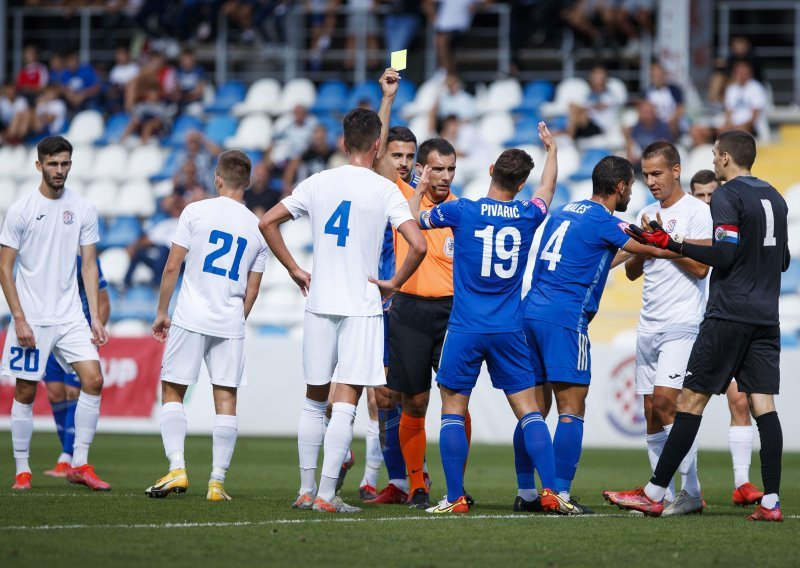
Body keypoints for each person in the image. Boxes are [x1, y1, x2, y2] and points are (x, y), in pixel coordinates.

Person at [604, 130, 790, 522]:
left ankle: (659, 492)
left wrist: (672, 244)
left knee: (687, 403)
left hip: (728, 314)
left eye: (715, 154)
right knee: (764, 409)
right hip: (764, 315)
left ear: (724, 158)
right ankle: (771, 502)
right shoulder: (774, 196)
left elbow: (720, 255)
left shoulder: (725, 195)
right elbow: (784, 259)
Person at [258, 107, 426, 513]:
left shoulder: (317, 182)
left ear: (342, 143)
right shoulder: (384, 190)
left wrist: (296, 269)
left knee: (314, 400)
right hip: (361, 304)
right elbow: (418, 245)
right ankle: (327, 496)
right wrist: (395, 282)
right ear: (378, 147)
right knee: (347, 400)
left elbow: (266, 222)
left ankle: (304, 489)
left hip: (319, 301)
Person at [403, 126, 572, 515]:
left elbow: (412, 217)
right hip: (509, 328)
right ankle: (551, 492)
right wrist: (553, 151)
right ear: (521, 182)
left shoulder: (463, 210)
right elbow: (547, 190)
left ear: (492, 168)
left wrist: (421, 185)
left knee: (451, 410)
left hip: (464, 327)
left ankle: (455, 497)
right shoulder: (529, 214)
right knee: (530, 410)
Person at [518, 155, 679, 514]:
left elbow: (599, 255)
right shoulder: (606, 221)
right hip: (565, 319)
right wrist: (682, 245)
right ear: (620, 187)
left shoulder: (564, 210)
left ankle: (526, 491)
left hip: (529, 312)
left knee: (533, 410)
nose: (631, 194)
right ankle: (558, 493)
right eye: (631, 188)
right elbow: (652, 246)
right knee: (572, 409)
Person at [146, 150, 268, 502]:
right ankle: (217, 482)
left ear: (217, 179)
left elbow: (172, 267)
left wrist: (160, 311)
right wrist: (234, 318)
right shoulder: (257, 228)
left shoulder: (195, 212)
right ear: (248, 183)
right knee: (226, 398)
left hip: (190, 316)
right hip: (229, 320)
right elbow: (254, 288)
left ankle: (177, 468)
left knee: (173, 391)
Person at [0, 136, 110, 491]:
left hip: (70, 317)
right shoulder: (20, 209)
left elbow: (90, 265)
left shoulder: (83, 208)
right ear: (39, 166)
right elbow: (5, 267)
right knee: (27, 392)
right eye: (52, 164)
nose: (59, 170)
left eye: (64, 163)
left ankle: (79, 463)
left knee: (93, 380)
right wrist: (18, 317)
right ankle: (22, 470)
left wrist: (94, 316)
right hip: (31, 317)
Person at [375, 70, 461, 509]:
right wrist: (387, 99)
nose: (444, 176)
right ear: (422, 168)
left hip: (452, 314)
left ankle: (456, 486)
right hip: (408, 311)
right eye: (437, 169)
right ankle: (416, 483)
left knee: (454, 400)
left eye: (450, 169)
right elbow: (376, 157)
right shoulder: (399, 197)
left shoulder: (464, 211)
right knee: (414, 400)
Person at [624, 141, 712, 515]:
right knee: (650, 411)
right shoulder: (646, 211)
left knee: (667, 404)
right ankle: (662, 495)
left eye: (657, 173)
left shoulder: (697, 211)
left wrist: (664, 242)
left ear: (676, 170)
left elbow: (701, 267)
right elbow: (631, 271)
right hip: (648, 324)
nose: (651, 181)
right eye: (645, 175)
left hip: (683, 322)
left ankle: (690, 492)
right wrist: (644, 245)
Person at [688, 169, 765, 507]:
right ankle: (690, 487)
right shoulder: (687, 225)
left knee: (739, 400)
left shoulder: (730, 227)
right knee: (678, 408)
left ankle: (741, 482)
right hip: (689, 326)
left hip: (725, 322)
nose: (706, 201)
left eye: (710, 194)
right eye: (699, 195)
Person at [367, 73, 422, 506]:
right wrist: (388, 99)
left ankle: (412, 480)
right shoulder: (379, 187)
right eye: (396, 154)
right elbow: (375, 145)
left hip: (413, 302)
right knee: (382, 394)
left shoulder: (420, 191)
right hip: (378, 300)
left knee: (410, 397)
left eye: (409, 156)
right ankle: (398, 481)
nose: (402, 162)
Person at [43, 256, 111, 477]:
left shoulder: (85, 258)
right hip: (50, 330)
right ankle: (68, 455)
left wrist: (96, 329)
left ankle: (68, 457)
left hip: (78, 334)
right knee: (54, 393)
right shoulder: (45, 255)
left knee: (74, 391)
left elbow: (103, 300)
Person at [566, 65, 623, 140]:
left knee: (577, 110)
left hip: (600, 128)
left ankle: (569, 136)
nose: (597, 81)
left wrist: (581, 108)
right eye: (595, 78)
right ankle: (568, 135)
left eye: (600, 78)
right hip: (586, 124)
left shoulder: (610, 96)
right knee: (575, 110)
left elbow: (599, 106)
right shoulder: (589, 95)